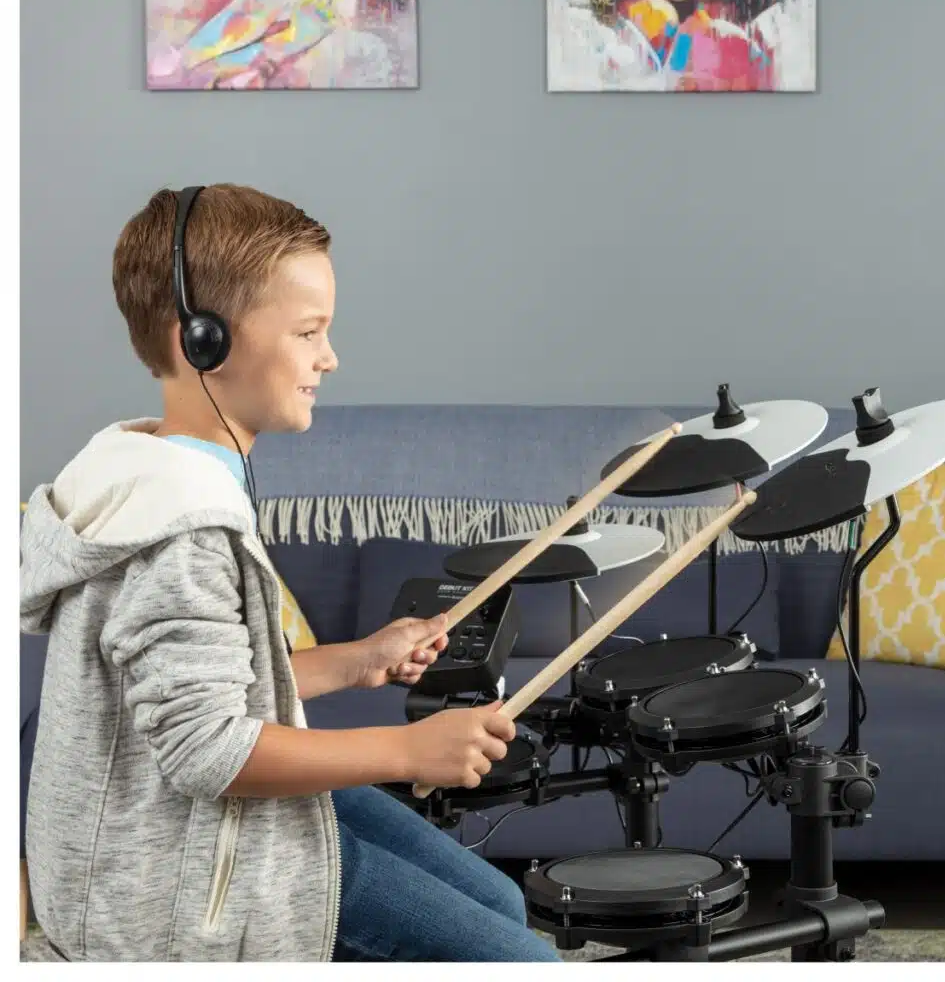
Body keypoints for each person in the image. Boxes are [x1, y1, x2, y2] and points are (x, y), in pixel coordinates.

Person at [19, 183, 563, 963]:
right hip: (187, 877)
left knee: (499, 899)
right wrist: (412, 752)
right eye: (309, 332)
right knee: (528, 964)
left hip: (201, 830)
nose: (330, 358)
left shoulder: (149, 474)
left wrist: (356, 660)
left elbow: (203, 688)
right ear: (201, 341)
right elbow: (209, 749)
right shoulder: (181, 529)